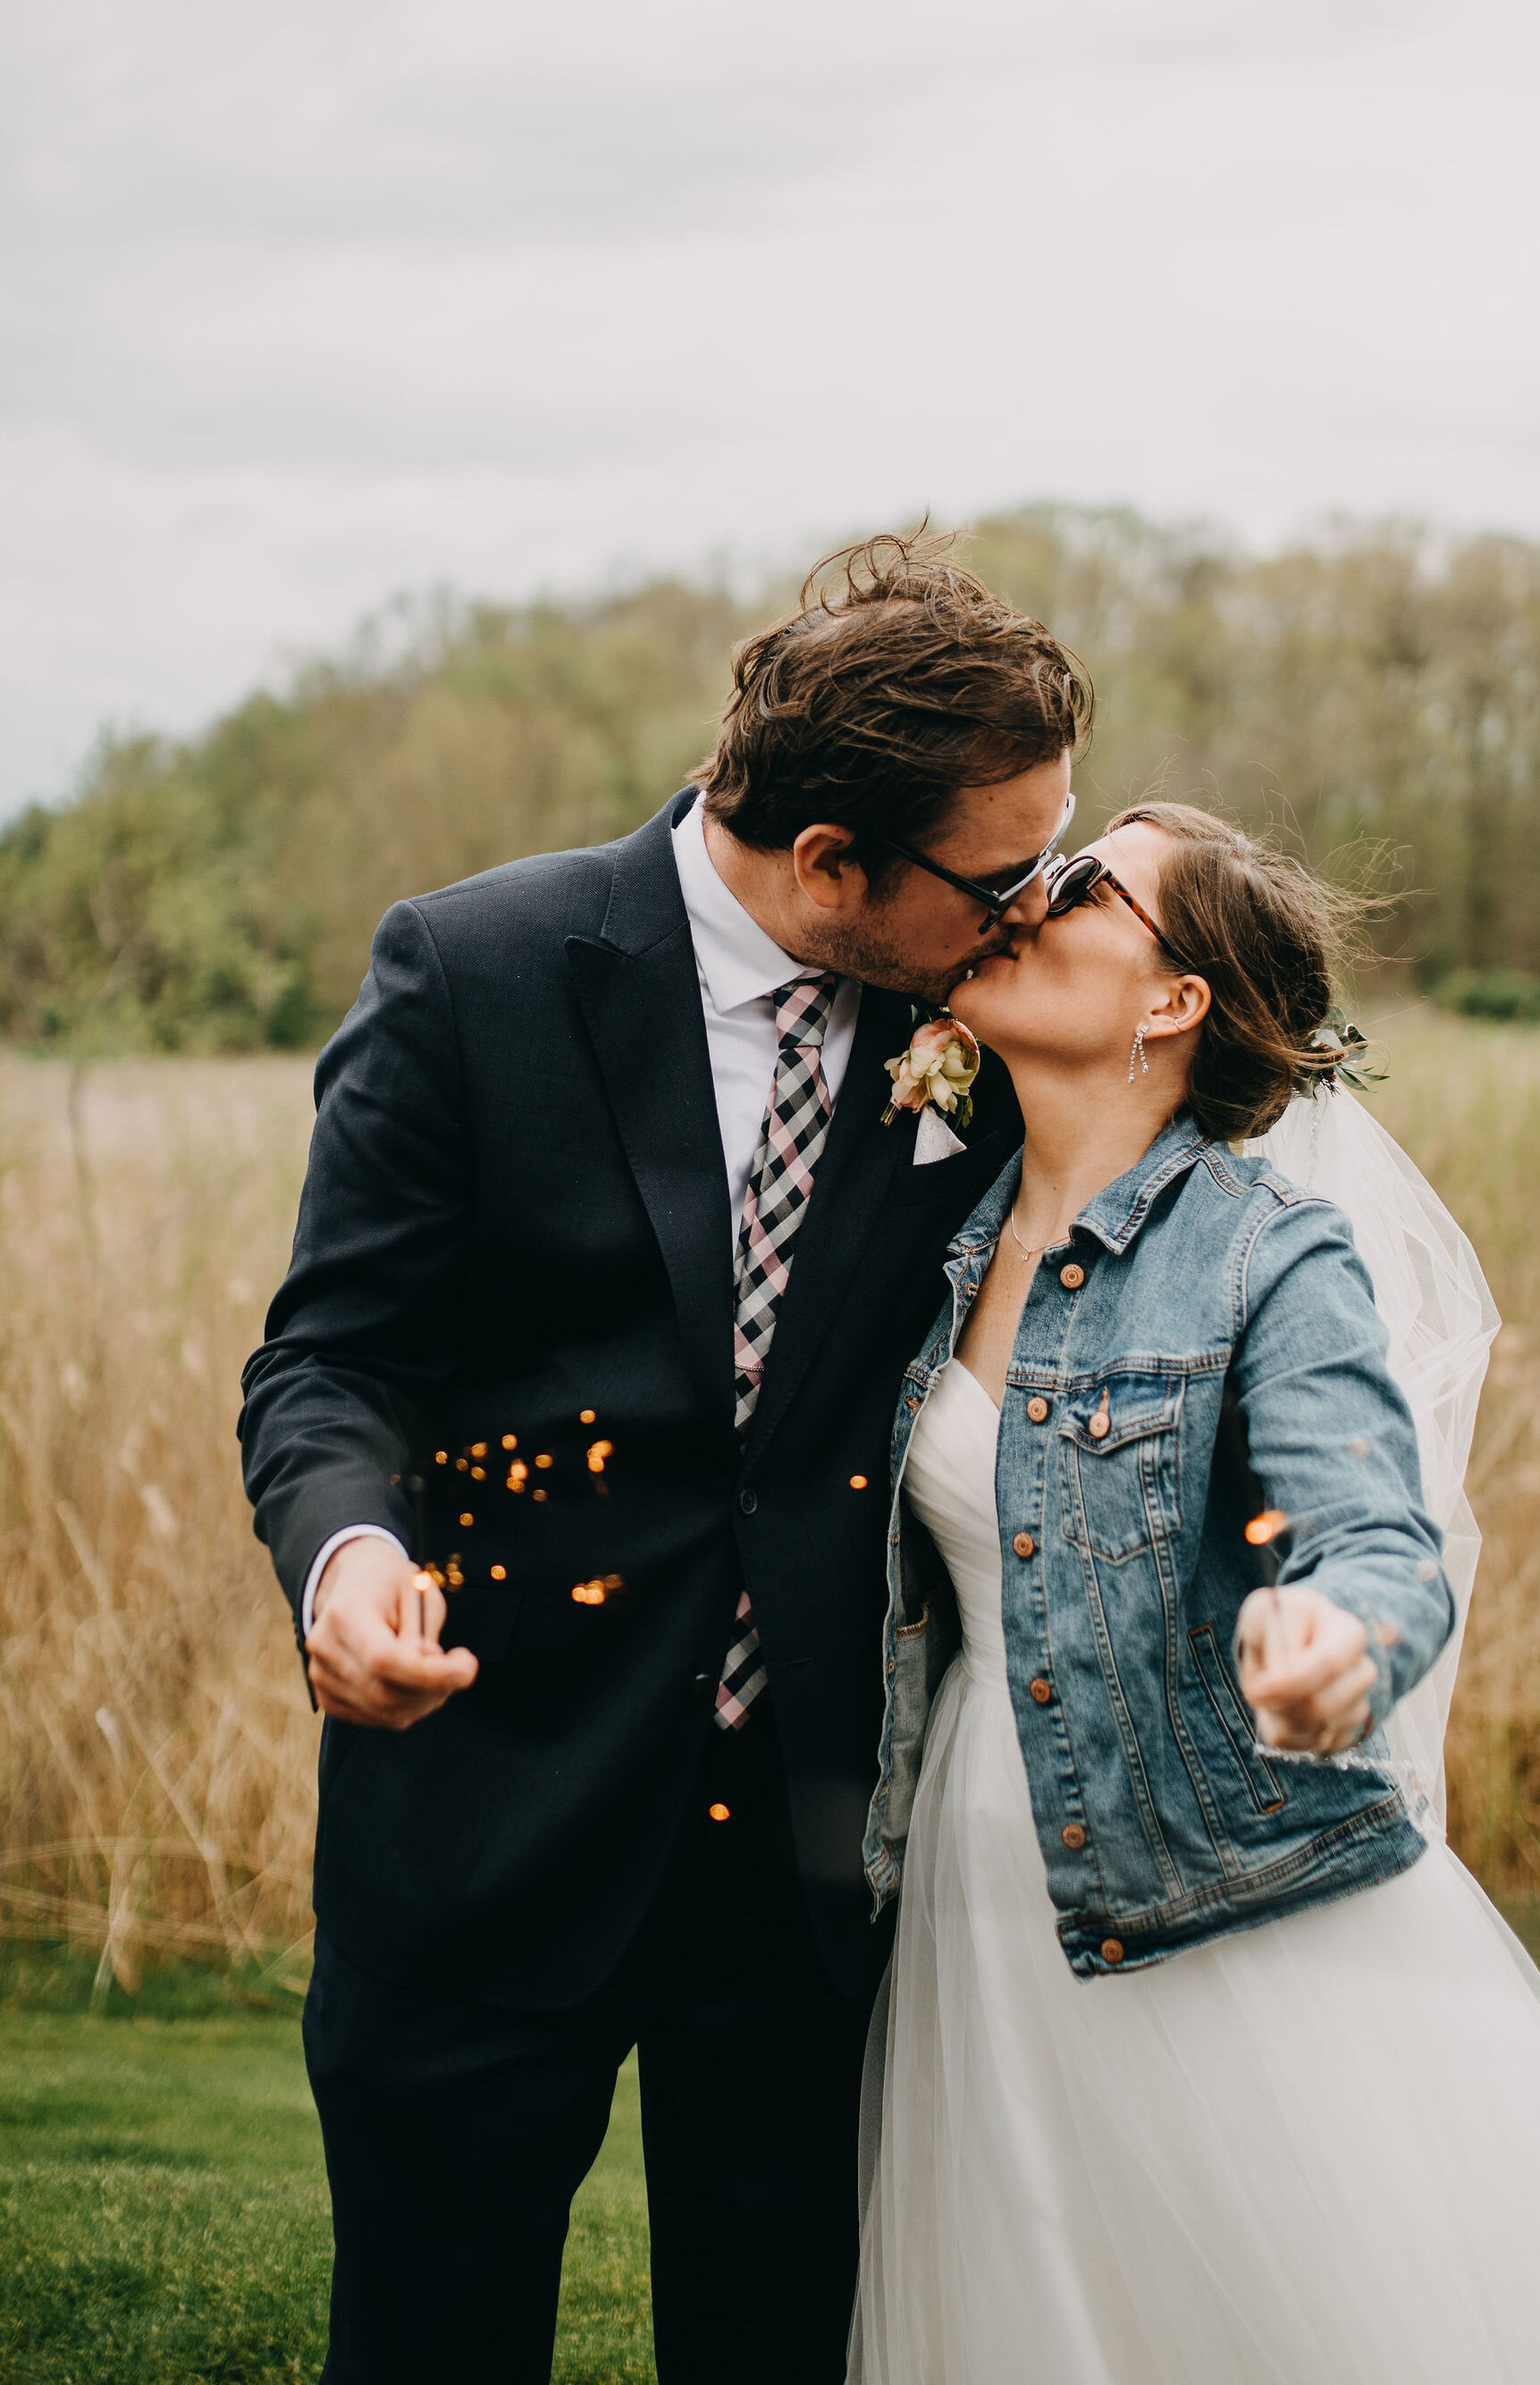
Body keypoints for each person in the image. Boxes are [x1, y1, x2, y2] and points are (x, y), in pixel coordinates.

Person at [239, 538, 1090, 2384]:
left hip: (812, 1868)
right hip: (487, 1818)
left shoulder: (991, 1033)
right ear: (830, 862)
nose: (1033, 914)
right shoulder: (474, 970)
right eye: (1001, 875)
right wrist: (344, 1558)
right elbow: (332, 1358)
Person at [851, 801, 1540, 2384]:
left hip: (1214, 1874)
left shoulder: (1272, 1254)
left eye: (1082, 886)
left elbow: (1380, 1539)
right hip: (979, 1871)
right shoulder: (942, 1230)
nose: (1025, 902)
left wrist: (1340, 1638)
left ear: (1171, 1001)